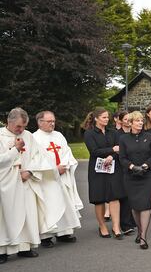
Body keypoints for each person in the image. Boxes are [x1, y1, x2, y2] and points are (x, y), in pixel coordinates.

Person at [1, 108, 68, 263]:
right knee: (5, 217)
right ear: (8, 122)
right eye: (18, 126)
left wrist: (30, 172)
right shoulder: (0, 136)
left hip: (26, 182)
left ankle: (25, 247)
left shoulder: (28, 136)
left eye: (24, 126)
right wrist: (15, 150)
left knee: (27, 215)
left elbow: (39, 157)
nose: (21, 130)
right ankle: (3, 250)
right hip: (6, 184)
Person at [32, 111, 82, 246]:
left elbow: (67, 152)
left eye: (53, 121)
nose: (52, 124)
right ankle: (46, 236)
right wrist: (55, 169)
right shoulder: (34, 138)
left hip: (62, 174)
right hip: (47, 179)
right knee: (48, 206)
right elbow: (36, 160)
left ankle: (64, 233)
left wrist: (64, 166)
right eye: (49, 121)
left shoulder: (58, 135)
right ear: (40, 122)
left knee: (65, 203)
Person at [83, 107, 125, 238]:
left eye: (108, 117)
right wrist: (112, 149)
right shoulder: (89, 134)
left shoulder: (114, 133)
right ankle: (102, 226)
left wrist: (112, 156)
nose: (107, 119)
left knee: (114, 196)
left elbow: (121, 149)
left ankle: (116, 227)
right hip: (97, 170)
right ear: (96, 118)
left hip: (113, 168)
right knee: (99, 199)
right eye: (104, 117)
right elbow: (94, 151)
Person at [118, 111, 151, 249]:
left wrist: (145, 166)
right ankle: (140, 230)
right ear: (130, 123)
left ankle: (143, 237)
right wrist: (132, 167)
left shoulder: (150, 136)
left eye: (141, 120)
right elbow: (122, 158)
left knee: (146, 205)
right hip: (131, 176)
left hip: (147, 176)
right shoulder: (123, 139)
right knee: (135, 206)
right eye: (137, 121)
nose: (140, 122)